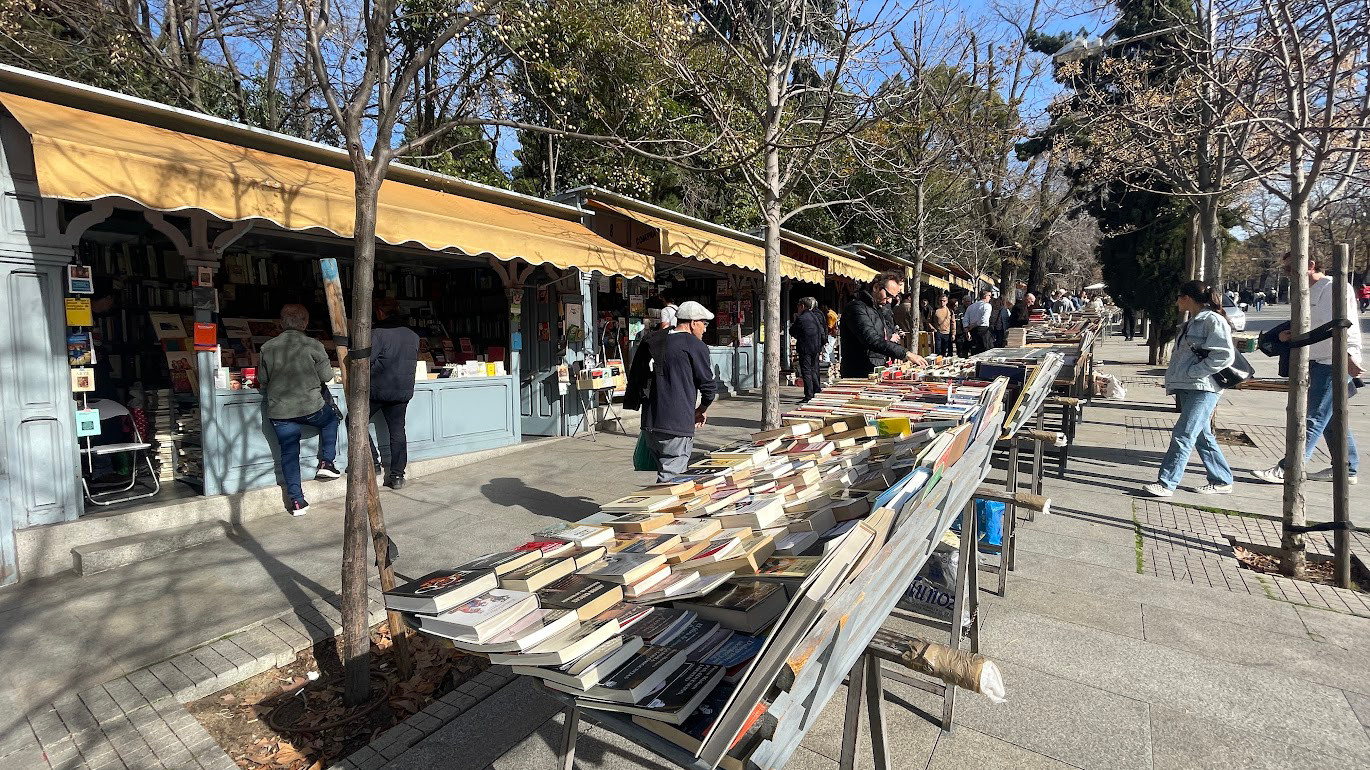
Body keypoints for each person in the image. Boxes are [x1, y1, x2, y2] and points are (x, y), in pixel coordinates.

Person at [1253, 254, 1363, 485]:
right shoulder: (1306, 290)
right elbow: (1308, 323)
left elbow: (1344, 324)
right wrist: (1288, 335)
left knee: (1313, 417)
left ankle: (1289, 468)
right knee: (1331, 420)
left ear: (1310, 265)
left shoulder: (1335, 287)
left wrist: (1349, 356)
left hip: (1332, 360)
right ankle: (1348, 468)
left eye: (1289, 268)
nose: (1285, 273)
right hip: (1314, 359)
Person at [1142, 282, 1236, 497]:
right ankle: (1222, 479)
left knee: (1183, 434)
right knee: (1202, 436)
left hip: (1204, 388)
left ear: (1188, 298)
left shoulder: (1213, 320)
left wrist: (1196, 371)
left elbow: (1224, 355)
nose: (1176, 301)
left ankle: (1166, 483)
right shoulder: (1193, 321)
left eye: (1179, 296)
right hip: (1190, 385)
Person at [259, 304, 341, 515]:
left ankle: (297, 502)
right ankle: (327, 462)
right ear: (305, 323)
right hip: (311, 407)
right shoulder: (314, 345)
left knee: (289, 453)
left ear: (281, 323)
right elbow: (326, 377)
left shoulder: (268, 347)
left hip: (280, 412)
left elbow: (262, 380)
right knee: (332, 419)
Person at [625, 301, 718, 481]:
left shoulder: (654, 340)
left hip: (651, 421)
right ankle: (662, 508)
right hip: (676, 423)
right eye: (704, 324)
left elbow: (638, 376)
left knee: (665, 471)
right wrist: (702, 409)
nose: (705, 330)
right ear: (693, 323)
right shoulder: (694, 345)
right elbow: (708, 387)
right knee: (672, 479)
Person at [369, 297, 420, 490]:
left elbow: (367, 361)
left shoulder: (378, 333)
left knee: (354, 422)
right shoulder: (413, 335)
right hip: (402, 390)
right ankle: (397, 476)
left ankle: (372, 461)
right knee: (398, 431)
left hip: (378, 390)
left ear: (381, 313)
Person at [840, 271, 927, 377]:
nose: (890, 301)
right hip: (859, 371)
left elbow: (886, 335)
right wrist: (905, 353)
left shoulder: (879, 308)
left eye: (893, 297)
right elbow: (871, 339)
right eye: (888, 295)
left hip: (876, 368)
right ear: (876, 287)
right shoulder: (856, 308)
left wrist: (894, 352)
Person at [790, 297, 826, 401]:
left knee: (806, 371)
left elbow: (792, 331)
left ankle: (809, 394)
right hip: (815, 347)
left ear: (802, 306)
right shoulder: (815, 316)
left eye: (798, 306)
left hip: (805, 348)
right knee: (814, 369)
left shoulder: (802, 318)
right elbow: (821, 331)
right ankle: (816, 390)